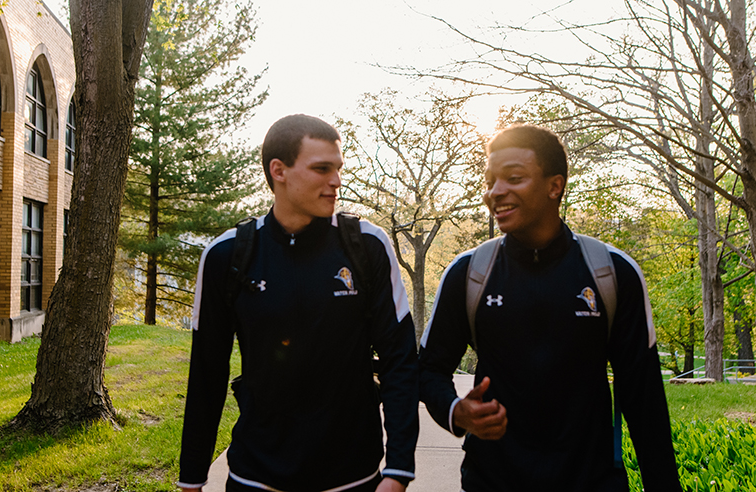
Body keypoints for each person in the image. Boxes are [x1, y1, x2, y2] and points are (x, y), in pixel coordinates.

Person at [418, 125, 682, 491]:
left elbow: (644, 399)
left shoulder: (612, 272)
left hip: (591, 482)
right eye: (490, 181)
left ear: (554, 186)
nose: (495, 192)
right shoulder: (470, 273)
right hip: (491, 481)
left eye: (513, 178)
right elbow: (428, 370)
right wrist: (455, 411)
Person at [178, 114, 418, 492]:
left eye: (338, 168)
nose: (336, 181)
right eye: (322, 169)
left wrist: (399, 469)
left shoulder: (367, 246)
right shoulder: (228, 254)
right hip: (256, 474)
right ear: (279, 171)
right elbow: (207, 372)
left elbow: (399, 361)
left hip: (352, 475)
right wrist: (191, 478)